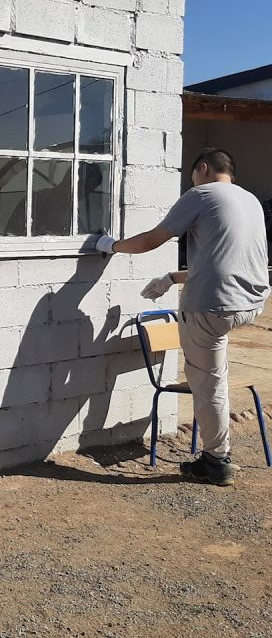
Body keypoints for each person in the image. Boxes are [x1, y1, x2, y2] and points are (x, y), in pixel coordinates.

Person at [97, 148, 269, 486]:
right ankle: (215, 454)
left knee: (208, 383)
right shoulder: (249, 201)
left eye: (193, 175)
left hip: (210, 308)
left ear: (202, 169)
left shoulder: (201, 194)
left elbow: (151, 240)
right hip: (250, 303)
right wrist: (173, 278)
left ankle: (217, 461)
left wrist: (111, 245)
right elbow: (225, 263)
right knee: (213, 375)